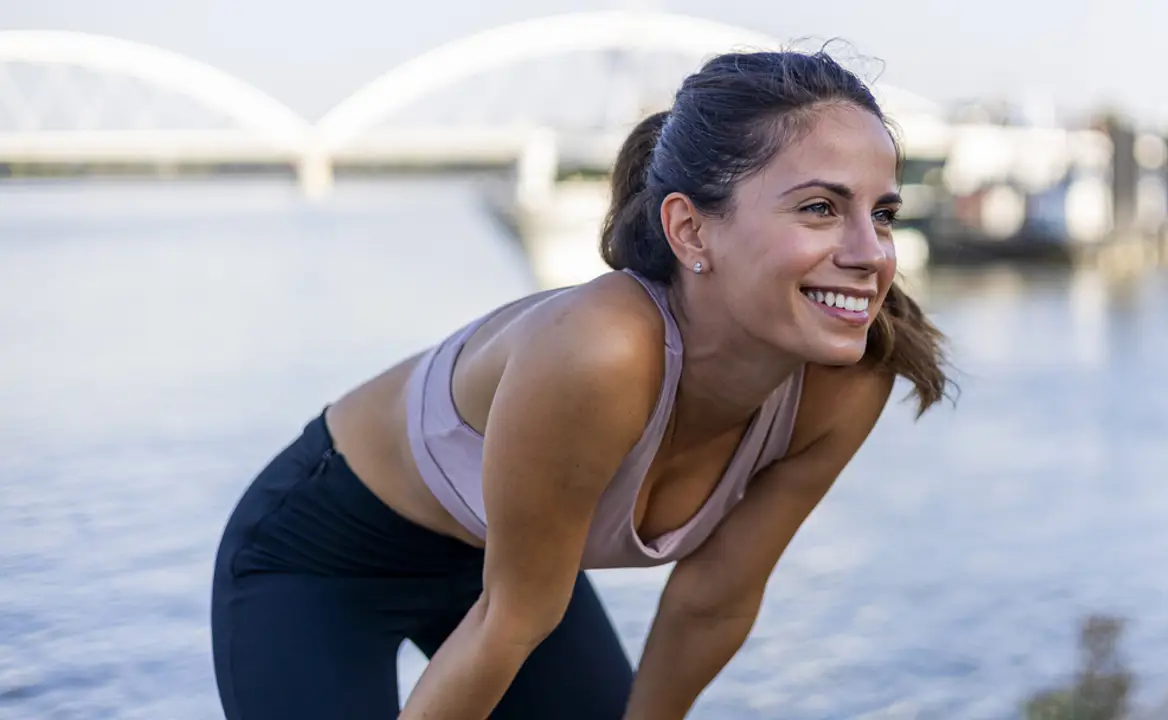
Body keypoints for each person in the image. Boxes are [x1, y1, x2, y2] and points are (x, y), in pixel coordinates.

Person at [210, 46, 952, 720]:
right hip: (322, 556)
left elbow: (713, 599)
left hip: (511, 572)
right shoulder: (603, 351)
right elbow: (512, 616)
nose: (869, 253)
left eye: (882, 214)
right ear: (691, 231)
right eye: (821, 208)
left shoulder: (848, 381)